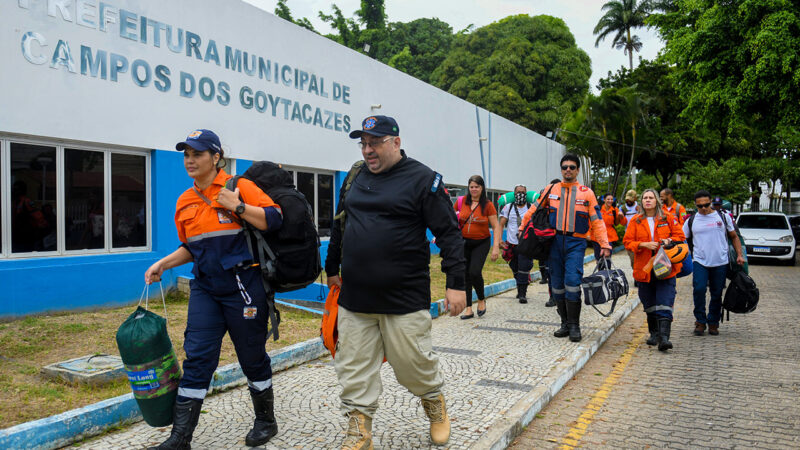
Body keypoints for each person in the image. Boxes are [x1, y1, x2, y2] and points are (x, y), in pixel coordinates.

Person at [325, 115, 466, 448]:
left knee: (412, 365)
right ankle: (359, 428)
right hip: (355, 295)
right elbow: (339, 224)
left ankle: (434, 402)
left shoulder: (422, 179)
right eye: (363, 143)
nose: (368, 150)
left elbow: (449, 234)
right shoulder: (355, 176)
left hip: (404, 296)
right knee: (353, 365)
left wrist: (456, 283)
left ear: (396, 143)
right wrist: (332, 267)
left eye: (375, 143)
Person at [144, 129, 283, 449]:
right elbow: (193, 247)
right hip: (205, 288)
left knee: (251, 355)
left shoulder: (239, 187)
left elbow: (276, 219)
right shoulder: (185, 201)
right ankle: (180, 438)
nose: (190, 161)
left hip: (243, 286)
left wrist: (238, 207)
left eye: (197, 154)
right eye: (186, 155)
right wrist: (164, 264)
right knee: (197, 358)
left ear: (216, 157)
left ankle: (266, 420)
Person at [520, 154, 611, 342]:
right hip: (554, 243)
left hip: (576, 244)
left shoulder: (587, 193)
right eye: (564, 167)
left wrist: (604, 244)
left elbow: (597, 222)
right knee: (557, 286)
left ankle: (575, 326)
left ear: (577, 170)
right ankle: (565, 323)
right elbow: (534, 210)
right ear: (561, 170)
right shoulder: (551, 189)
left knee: (572, 282)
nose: (567, 170)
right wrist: (522, 228)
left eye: (571, 167)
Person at [623, 189, 685, 352]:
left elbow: (681, 237)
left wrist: (668, 240)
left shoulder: (668, 218)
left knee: (665, 301)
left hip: (665, 267)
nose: (648, 200)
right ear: (641, 201)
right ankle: (654, 333)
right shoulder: (635, 220)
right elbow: (627, 242)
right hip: (645, 268)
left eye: (651, 198)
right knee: (649, 302)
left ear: (657, 200)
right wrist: (643, 245)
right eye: (645, 198)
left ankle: (664, 338)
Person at [682, 189, 745, 336]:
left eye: (706, 204)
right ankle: (700, 321)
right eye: (700, 206)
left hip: (720, 261)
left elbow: (734, 237)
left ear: (711, 202)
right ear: (695, 205)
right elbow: (682, 239)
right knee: (699, 290)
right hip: (699, 261)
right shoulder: (691, 220)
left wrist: (740, 255)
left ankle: (713, 323)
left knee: (716, 293)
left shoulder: (722, 217)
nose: (703, 208)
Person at [456, 175, 502, 318]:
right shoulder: (461, 201)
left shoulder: (488, 205)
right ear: (468, 188)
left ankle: (481, 299)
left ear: (482, 188)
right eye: (471, 187)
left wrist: (496, 248)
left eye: (477, 186)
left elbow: (496, 227)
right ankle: (468, 308)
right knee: (465, 275)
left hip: (481, 242)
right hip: (464, 242)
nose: (474, 189)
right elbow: (452, 218)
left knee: (474, 272)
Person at [499, 184, 534, 304]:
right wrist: (499, 240)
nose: (520, 194)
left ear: (526, 194)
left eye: (523, 192)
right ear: (514, 195)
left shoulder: (531, 208)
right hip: (511, 244)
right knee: (514, 267)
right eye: (518, 192)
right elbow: (501, 224)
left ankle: (522, 293)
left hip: (526, 244)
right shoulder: (508, 207)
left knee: (524, 267)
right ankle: (520, 286)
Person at [537, 179, 563, 309]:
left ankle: (564, 296)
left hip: (564, 242)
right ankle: (553, 296)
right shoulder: (543, 205)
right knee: (550, 271)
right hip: (548, 242)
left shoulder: (566, 202)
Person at [594, 193, 625, 266]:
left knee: (608, 258)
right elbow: (591, 221)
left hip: (609, 236)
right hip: (597, 236)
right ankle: (600, 275)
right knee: (599, 258)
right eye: (608, 199)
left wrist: (620, 216)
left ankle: (608, 274)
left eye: (611, 199)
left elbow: (617, 223)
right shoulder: (598, 209)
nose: (610, 201)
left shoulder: (614, 210)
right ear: (604, 200)